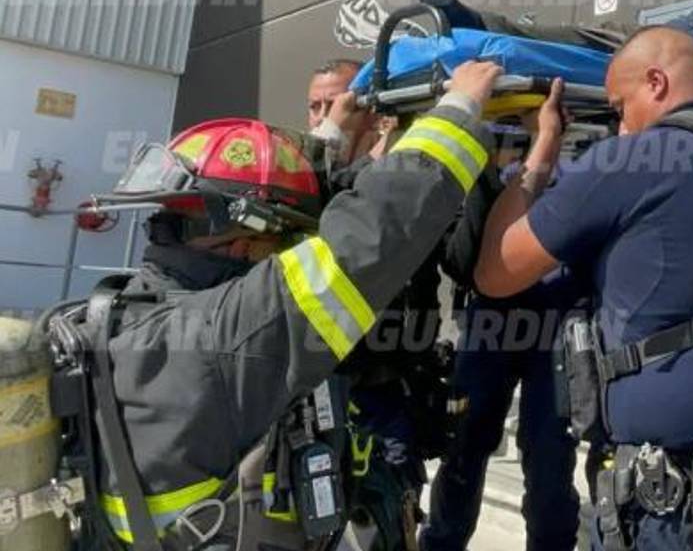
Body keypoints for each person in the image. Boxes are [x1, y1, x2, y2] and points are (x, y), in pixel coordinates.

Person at [43, 62, 502, 549]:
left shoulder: (114, 316)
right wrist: (458, 110)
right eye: (287, 235)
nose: (293, 248)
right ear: (248, 239)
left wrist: (325, 140)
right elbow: (369, 239)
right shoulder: (224, 337)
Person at [473, 27, 693, 550]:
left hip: (666, 495)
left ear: (656, 82)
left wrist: (541, 152)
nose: (620, 125)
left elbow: (496, 272)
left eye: (620, 106)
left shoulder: (630, 162)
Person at [421, 122, 583, 551]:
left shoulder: (586, 165)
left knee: (549, 456)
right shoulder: (479, 167)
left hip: (560, 329)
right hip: (491, 321)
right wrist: (487, 175)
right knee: (463, 445)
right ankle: (440, 544)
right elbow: (458, 262)